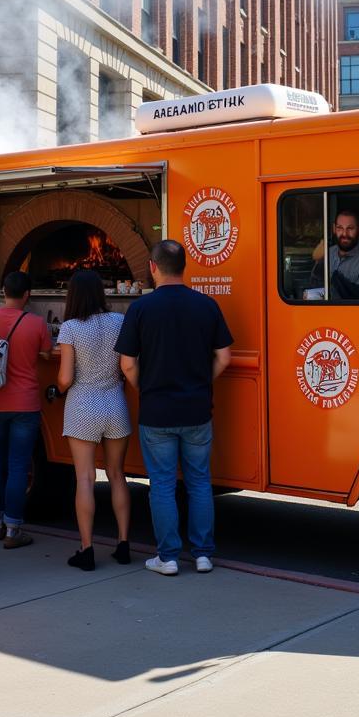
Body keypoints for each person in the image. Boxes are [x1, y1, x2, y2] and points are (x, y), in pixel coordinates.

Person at [115, 240, 232, 576]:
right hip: (197, 410)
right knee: (199, 482)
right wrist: (202, 383)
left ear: (153, 267)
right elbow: (224, 357)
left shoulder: (141, 309)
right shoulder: (206, 305)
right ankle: (203, 555)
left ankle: (167, 557)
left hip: (157, 412)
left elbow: (127, 364)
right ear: (185, 266)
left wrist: (146, 388)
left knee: (163, 484)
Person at [0, 271, 52, 549]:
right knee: (18, 465)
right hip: (26, 404)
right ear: (27, 295)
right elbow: (48, 355)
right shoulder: (37, 323)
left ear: (3, 291)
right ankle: (14, 530)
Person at [56, 269, 131, 571]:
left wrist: (58, 388)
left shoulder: (71, 328)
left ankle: (86, 549)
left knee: (85, 478)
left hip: (83, 406)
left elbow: (64, 378)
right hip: (115, 403)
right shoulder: (119, 322)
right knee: (117, 474)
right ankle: (123, 543)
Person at [307, 208, 359, 301]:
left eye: (350, 228)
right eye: (340, 228)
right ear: (334, 229)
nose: (344, 234)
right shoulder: (327, 253)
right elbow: (313, 287)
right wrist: (318, 260)